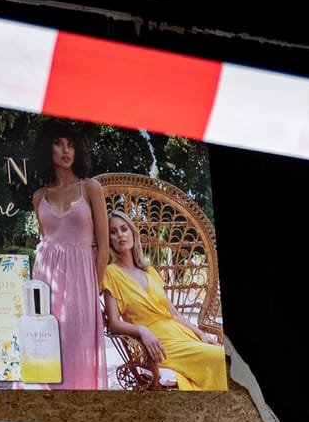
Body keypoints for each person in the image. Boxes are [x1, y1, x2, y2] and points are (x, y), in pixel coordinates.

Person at [100, 211, 227, 391]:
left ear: (132, 232)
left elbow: (174, 314)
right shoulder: (111, 273)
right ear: (109, 239)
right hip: (158, 343)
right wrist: (142, 330)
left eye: (124, 229)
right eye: (113, 232)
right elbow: (113, 323)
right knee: (218, 358)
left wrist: (200, 333)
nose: (120, 235)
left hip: (180, 334)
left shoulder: (149, 271)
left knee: (222, 356)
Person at [30, 118, 109, 389]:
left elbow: (103, 245)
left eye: (71, 144)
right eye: (58, 143)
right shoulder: (39, 196)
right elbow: (46, 241)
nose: (66, 150)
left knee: (77, 350)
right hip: (45, 280)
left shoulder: (90, 188)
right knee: (47, 346)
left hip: (81, 281)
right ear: (46, 149)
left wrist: (95, 287)